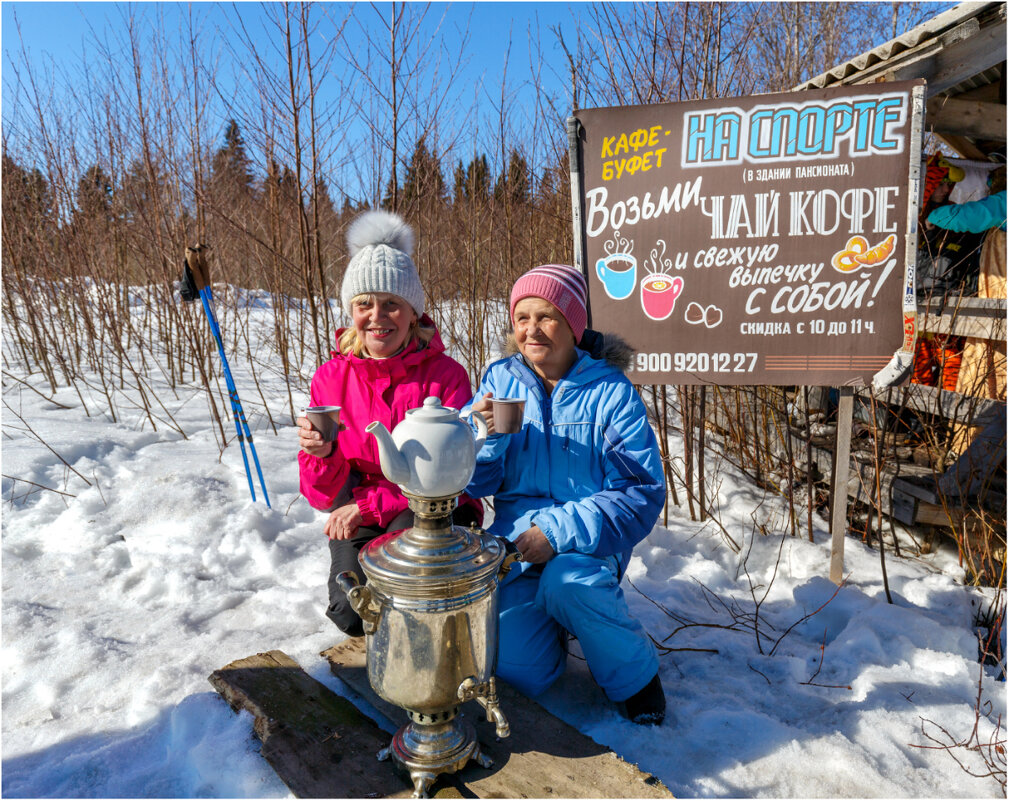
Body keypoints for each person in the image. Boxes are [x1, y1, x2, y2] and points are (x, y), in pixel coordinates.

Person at [462, 264, 668, 725]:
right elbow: (474, 485)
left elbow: (640, 490)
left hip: (591, 543)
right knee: (519, 676)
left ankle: (637, 681)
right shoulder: (501, 380)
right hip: (517, 546)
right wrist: (483, 437)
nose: (531, 329)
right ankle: (553, 625)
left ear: (573, 325)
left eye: (547, 316)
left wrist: (555, 531)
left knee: (568, 583)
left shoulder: (609, 391)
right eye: (522, 317)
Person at [298, 210, 478, 637]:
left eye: (391, 304)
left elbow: (448, 477)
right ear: (351, 311)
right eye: (365, 304)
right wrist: (319, 456)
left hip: (432, 508)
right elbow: (323, 496)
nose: (377, 316)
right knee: (351, 612)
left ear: (413, 312)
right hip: (358, 507)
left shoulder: (446, 376)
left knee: (408, 594)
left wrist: (369, 505)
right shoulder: (330, 377)